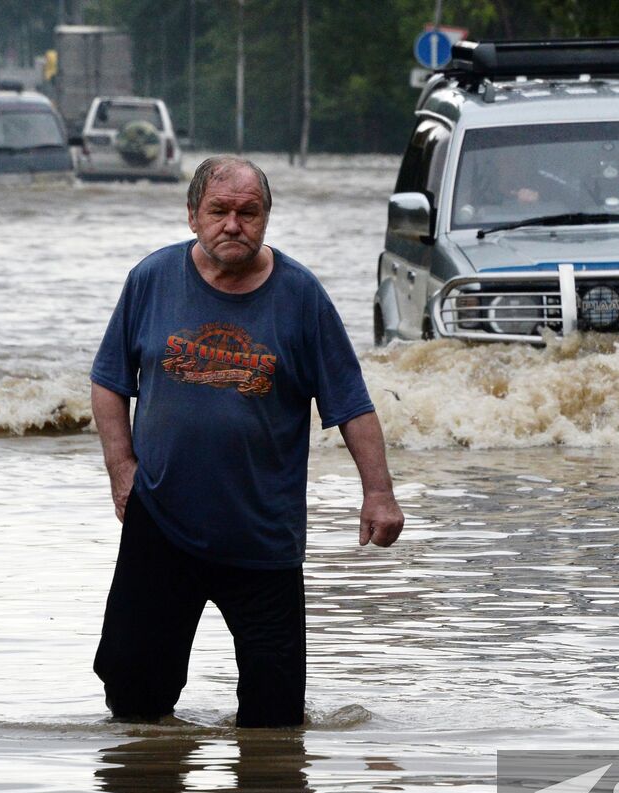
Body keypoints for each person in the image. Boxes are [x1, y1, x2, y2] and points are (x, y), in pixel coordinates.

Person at [89, 155, 404, 728]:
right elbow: (110, 382)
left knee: (275, 715)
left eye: (248, 212)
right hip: (160, 522)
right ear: (192, 216)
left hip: (262, 536)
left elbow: (351, 404)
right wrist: (122, 469)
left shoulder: (301, 296)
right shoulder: (151, 279)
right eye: (219, 211)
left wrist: (378, 493)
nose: (233, 225)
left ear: (265, 218)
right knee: (134, 699)